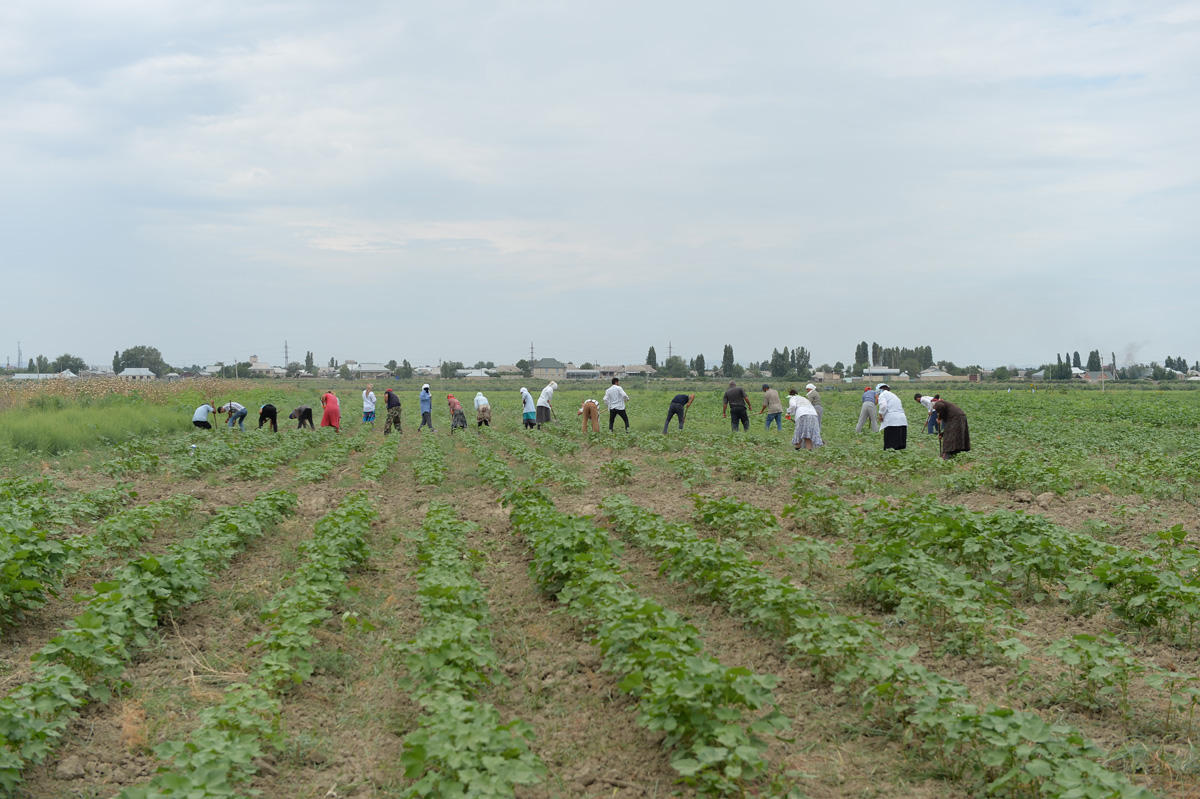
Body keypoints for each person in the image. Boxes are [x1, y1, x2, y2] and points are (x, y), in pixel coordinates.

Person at [875, 383, 908, 450]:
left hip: (892, 421)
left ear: (879, 390)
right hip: (902, 420)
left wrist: (880, 415)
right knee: (900, 444)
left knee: (890, 444)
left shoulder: (883, 395)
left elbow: (883, 406)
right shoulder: (894, 395)